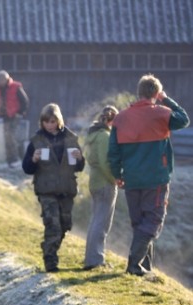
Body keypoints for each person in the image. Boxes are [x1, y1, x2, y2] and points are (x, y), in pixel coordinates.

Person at [108, 74, 190, 277]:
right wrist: (165, 99)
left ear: (139, 92)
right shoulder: (161, 113)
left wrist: (117, 174)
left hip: (131, 178)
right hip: (156, 178)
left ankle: (145, 269)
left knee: (139, 223)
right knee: (153, 221)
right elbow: (184, 119)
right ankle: (134, 265)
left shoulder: (121, 118)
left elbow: (113, 152)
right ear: (155, 93)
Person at [22, 103, 85, 272]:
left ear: (59, 121)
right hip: (46, 190)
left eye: (52, 121)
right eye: (46, 122)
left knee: (65, 225)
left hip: (67, 189)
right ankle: (50, 261)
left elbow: (79, 167)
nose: (50, 125)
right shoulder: (36, 141)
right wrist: (33, 160)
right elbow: (27, 168)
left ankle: (49, 249)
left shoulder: (71, 138)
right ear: (41, 122)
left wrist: (80, 159)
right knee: (53, 226)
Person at [83, 106, 119, 270]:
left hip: (95, 182)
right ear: (112, 120)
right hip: (105, 183)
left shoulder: (92, 135)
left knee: (96, 221)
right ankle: (95, 260)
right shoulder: (105, 137)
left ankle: (92, 257)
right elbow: (106, 163)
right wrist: (116, 179)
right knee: (102, 223)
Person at [0, 70, 29, 168]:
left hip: (15, 115)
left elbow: (25, 101)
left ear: (6, 78)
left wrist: (21, 113)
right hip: (5, 116)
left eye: (1, 79)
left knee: (11, 136)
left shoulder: (16, 86)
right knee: (6, 137)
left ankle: (15, 159)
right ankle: (9, 160)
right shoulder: (0, 89)